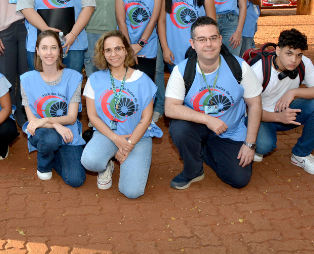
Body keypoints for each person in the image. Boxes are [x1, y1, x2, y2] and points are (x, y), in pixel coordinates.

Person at [165, 17, 262, 190]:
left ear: (220, 39)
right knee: (179, 128)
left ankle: (206, 151)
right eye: (201, 39)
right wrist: (208, 119)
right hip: (197, 127)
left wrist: (249, 144)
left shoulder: (239, 67)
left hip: (230, 131)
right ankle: (193, 170)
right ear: (192, 43)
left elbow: (255, 104)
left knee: (239, 180)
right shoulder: (182, 70)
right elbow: (170, 108)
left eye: (213, 38)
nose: (208, 44)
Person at [81, 31, 161, 198]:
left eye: (118, 48)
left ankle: (127, 157)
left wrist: (128, 145)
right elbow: (93, 117)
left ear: (126, 50)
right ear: (103, 53)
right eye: (108, 50)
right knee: (90, 161)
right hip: (108, 134)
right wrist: (116, 139)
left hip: (137, 136)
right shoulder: (94, 79)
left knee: (132, 192)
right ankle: (108, 163)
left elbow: (146, 118)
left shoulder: (143, 79)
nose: (113, 54)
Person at [251, 29, 314, 175]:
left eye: (298, 55)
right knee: (264, 146)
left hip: (285, 113)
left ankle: (301, 154)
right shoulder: (259, 69)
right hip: (259, 116)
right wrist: (277, 117)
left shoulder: (303, 64)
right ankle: (256, 144)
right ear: (278, 50)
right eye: (289, 53)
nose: (294, 60)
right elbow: (247, 110)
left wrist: (294, 92)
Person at [21, 30, 86, 186]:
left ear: (60, 51)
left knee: (76, 180)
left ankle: (54, 154)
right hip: (42, 132)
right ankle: (44, 163)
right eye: (44, 48)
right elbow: (33, 121)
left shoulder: (74, 77)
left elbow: (71, 118)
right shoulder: (26, 79)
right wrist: (56, 125)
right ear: (37, 51)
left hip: (68, 131)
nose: (48, 53)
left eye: (53, 48)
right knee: (51, 139)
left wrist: (48, 121)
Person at [115, 0, 164, 81]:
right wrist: (129, 48)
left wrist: (140, 45)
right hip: (126, 45)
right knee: (127, 88)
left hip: (148, 46)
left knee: (145, 87)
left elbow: (153, 20)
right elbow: (121, 22)